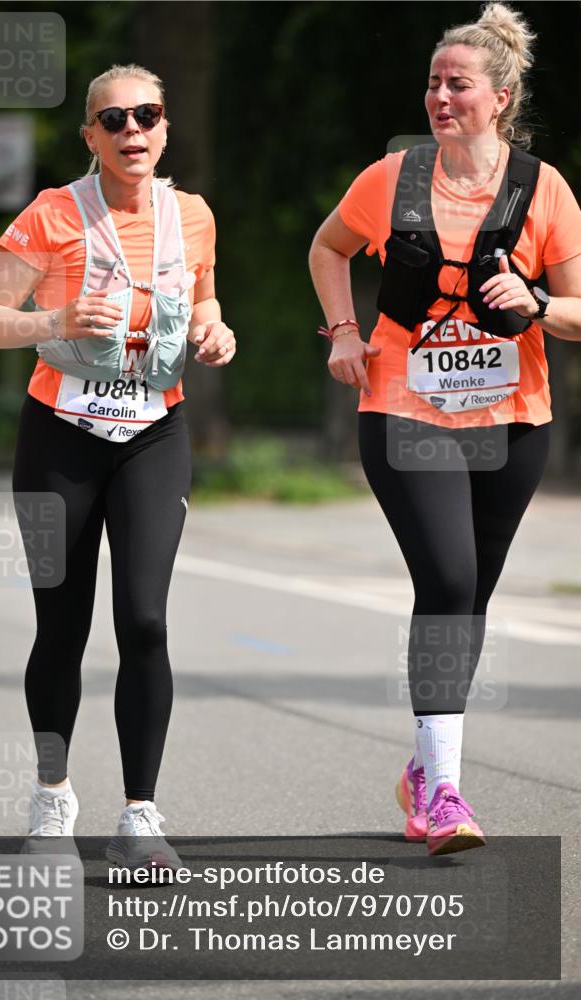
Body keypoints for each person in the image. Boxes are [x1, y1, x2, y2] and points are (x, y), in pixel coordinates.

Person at [309, 3, 581, 855]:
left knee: (468, 596)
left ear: (499, 96)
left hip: (510, 420)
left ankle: (426, 766)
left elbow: (577, 310)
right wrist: (345, 334)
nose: (438, 97)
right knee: (450, 576)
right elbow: (327, 249)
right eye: (432, 83)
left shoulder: (544, 190)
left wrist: (534, 302)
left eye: (456, 84)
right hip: (404, 407)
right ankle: (445, 797)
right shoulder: (390, 178)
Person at [0, 64, 236, 867]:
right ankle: (52, 796)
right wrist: (53, 316)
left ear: (163, 127)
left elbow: (207, 299)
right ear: (90, 135)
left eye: (146, 115)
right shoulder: (52, 216)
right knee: (61, 626)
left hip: (154, 429)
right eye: (112, 120)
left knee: (145, 620)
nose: (131, 131)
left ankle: (140, 814)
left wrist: (215, 332)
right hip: (60, 432)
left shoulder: (191, 216)